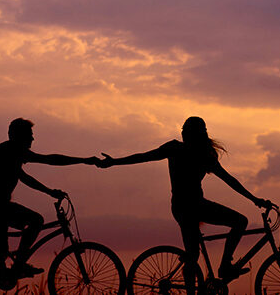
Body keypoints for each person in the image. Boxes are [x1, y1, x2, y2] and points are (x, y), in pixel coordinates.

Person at [96, 116, 271, 293]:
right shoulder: (195, 153)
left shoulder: (188, 151)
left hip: (182, 207)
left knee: (193, 255)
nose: (183, 134)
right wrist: (255, 200)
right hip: (193, 206)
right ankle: (225, 266)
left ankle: (200, 284)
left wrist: (114, 162)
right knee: (239, 222)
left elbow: (144, 157)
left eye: (185, 131)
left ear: (190, 133)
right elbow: (144, 157)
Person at [0, 118, 98, 279]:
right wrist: (83, 160)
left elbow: (24, 176)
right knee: (36, 221)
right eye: (29, 135)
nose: (32, 139)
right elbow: (49, 160)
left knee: (1, 252)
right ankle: (19, 264)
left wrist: (49, 191)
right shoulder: (10, 150)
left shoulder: (10, 152)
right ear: (19, 136)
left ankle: (4, 270)